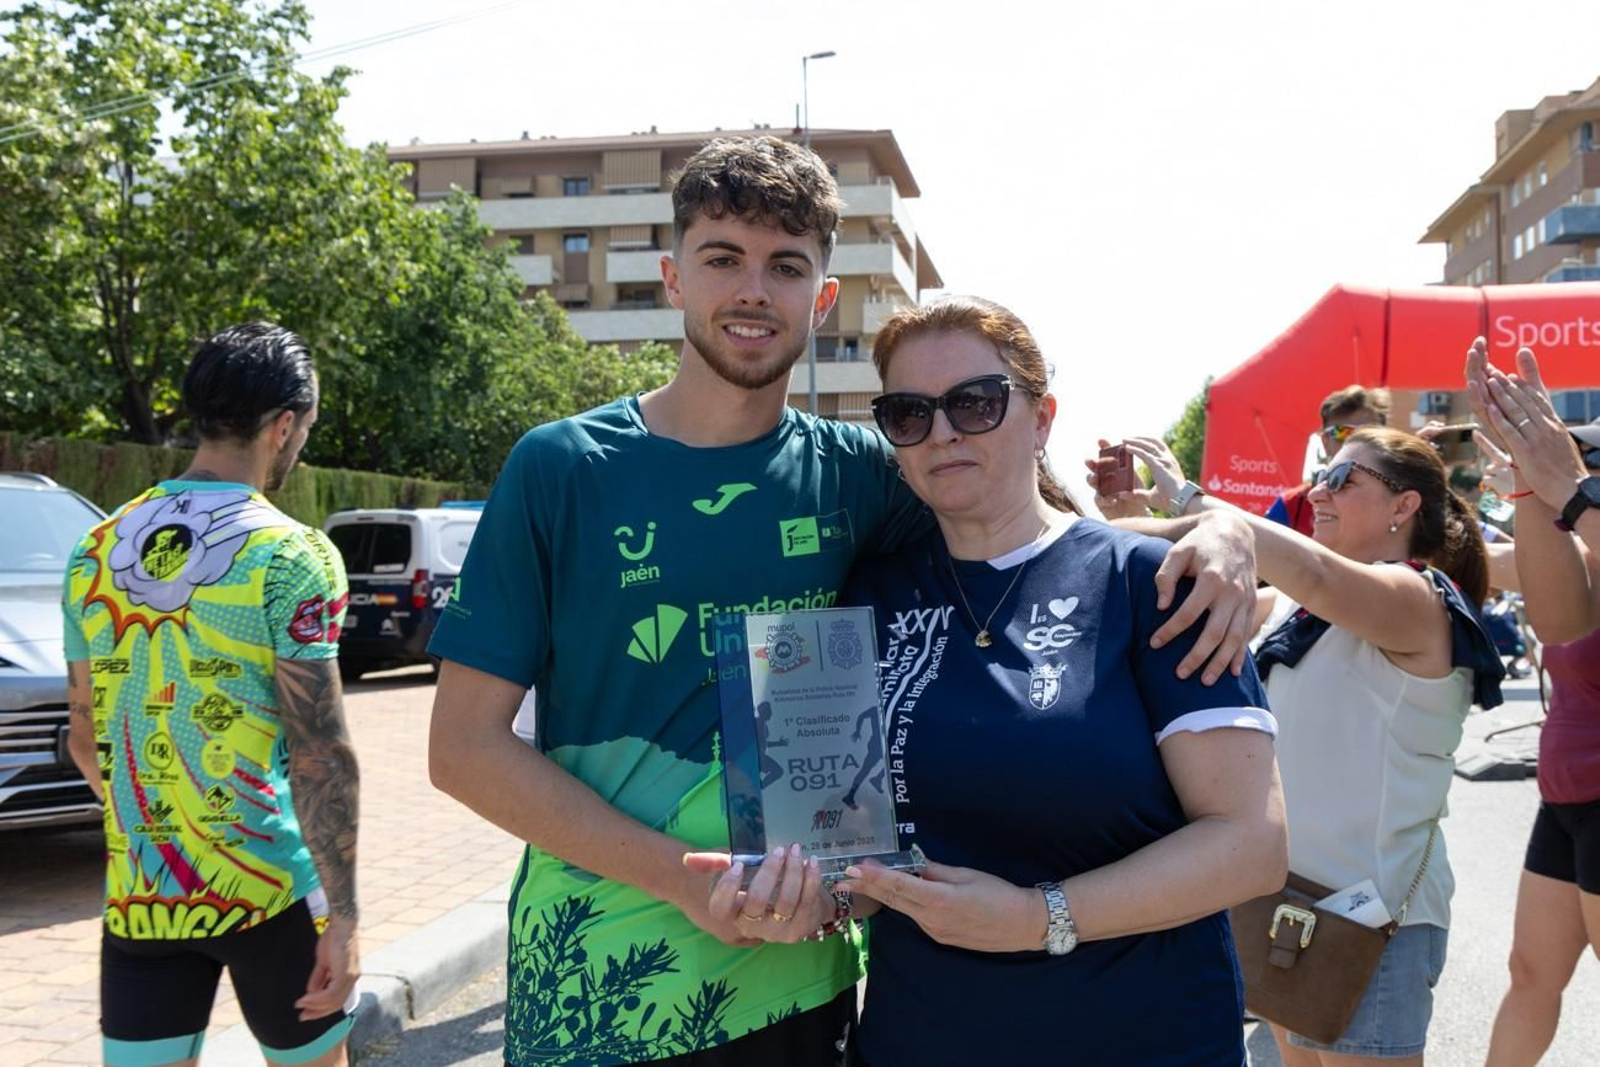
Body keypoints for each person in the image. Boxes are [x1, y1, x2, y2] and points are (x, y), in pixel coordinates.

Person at [427, 138, 1261, 1067]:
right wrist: (680, 880)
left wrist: (1219, 533)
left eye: (785, 266)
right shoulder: (561, 467)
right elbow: (462, 749)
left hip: (799, 983)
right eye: (722, 259)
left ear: (822, 297)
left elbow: (1029, 532)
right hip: (597, 985)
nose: (753, 291)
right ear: (672, 277)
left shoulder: (862, 470)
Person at [697, 296, 1288, 1066]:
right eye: (909, 414)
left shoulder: (1154, 583)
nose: (942, 432)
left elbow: (1251, 843)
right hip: (919, 1043)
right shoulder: (866, 596)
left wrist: (1040, 917)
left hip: (1143, 1042)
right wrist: (801, 896)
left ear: (1041, 419)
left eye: (975, 402)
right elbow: (856, 860)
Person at [1104, 422, 1505, 1067]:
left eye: (1342, 478)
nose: (1318, 491)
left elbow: (1310, 569)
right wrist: (1112, 521)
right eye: (1321, 474)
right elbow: (1182, 585)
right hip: (1288, 907)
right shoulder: (1297, 605)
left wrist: (1188, 501)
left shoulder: (1417, 597)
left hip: (1368, 925)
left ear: (1404, 505)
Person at [63, 323, 360, 1067]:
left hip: (143, 897)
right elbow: (320, 754)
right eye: (305, 430)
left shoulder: (95, 549)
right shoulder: (292, 554)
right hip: (269, 890)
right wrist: (346, 918)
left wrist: (162, 818)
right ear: (283, 425)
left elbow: (84, 739)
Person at [1464, 342, 1600, 1066]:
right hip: (1567, 797)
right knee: (1530, 973)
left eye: (1584, 458)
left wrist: (1570, 490)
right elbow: (1556, 619)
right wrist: (1528, 485)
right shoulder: (1581, 546)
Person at [1265, 386, 1391, 536]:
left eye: (1369, 433)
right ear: (1325, 442)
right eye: (1343, 432)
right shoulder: (1290, 506)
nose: (1357, 443)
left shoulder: (1403, 503)